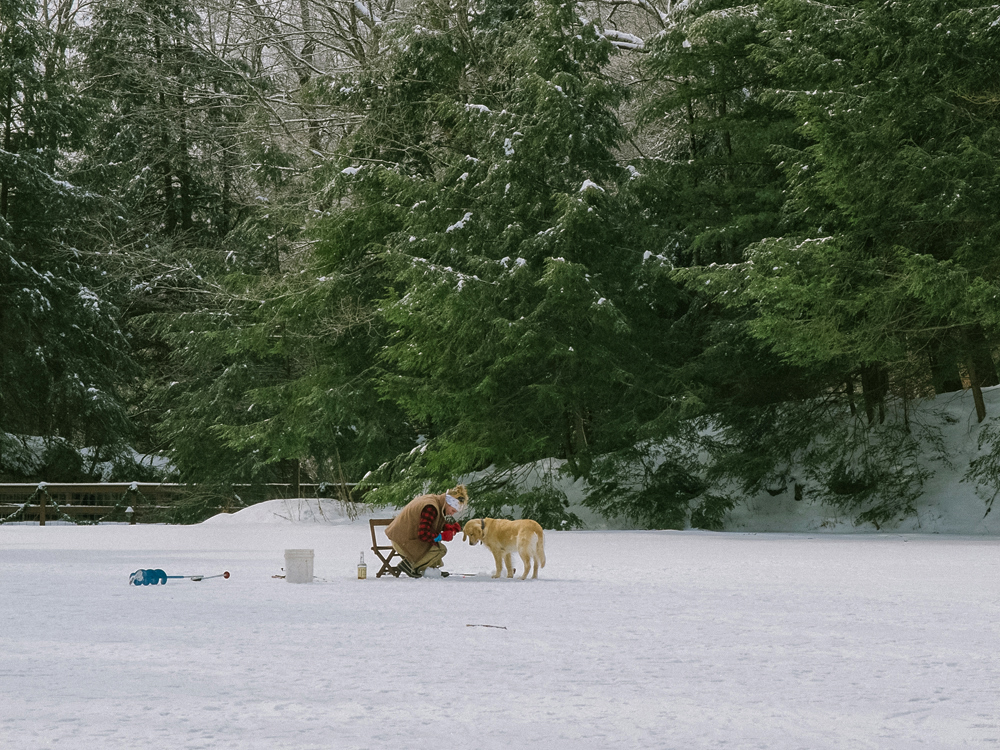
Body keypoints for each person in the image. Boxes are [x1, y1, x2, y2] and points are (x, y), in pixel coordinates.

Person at [385, 485, 467, 578]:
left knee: (435, 545)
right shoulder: (430, 507)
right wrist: (441, 536)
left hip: (403, 536)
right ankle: (410, 565)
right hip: (402, 540)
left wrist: (446, 527)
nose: (452, 514)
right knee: (440, 549)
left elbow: (430, 523)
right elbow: (423, 534)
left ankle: (431, 570)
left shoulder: (436, 501)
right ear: (448, 503)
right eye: (452, 510)